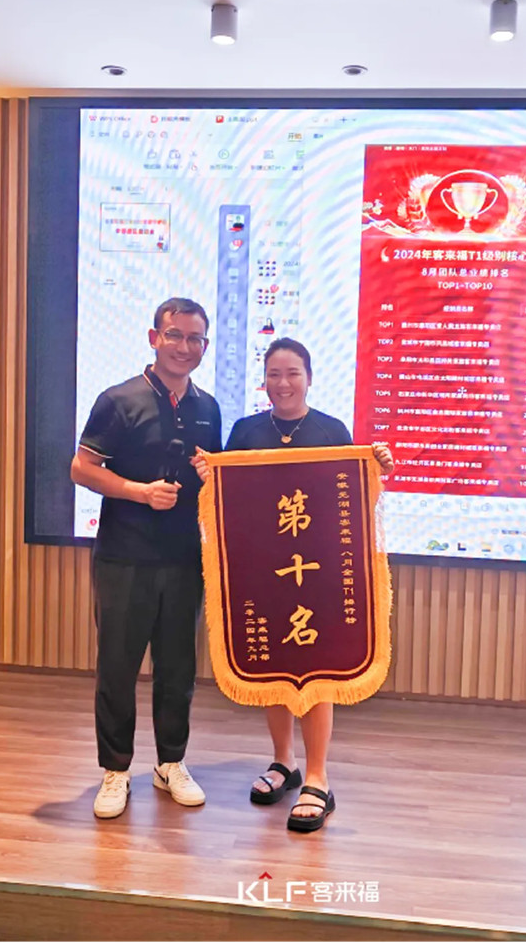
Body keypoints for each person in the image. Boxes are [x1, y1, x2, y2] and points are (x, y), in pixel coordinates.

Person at [193, 337, 392, 832]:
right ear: (264, 380)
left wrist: (376, 468)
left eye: (292, 373)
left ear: (309, 378)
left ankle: (318, 776)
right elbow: (230, 501)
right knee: (275, 668)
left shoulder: (331, 430)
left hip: (318, 575)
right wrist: (209, 475)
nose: (283, 383)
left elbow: (350, 500)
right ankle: (284, 762)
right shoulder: (245, 431)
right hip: (264, 573)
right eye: (274, 374)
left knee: (316, 672)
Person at [71, 297, 222, 819]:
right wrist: (138, 492)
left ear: (204, 346)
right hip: (124, 557)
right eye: (175, 335)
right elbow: (81, 468)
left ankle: (170, 763)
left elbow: (212, 477)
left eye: (195, 338)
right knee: (117, 667)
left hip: (184, 559)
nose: (184, 346)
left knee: (178, 668)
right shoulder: (119, 400)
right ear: (154, 338)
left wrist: (211, 475)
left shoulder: (208, 407)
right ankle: (115, 770)